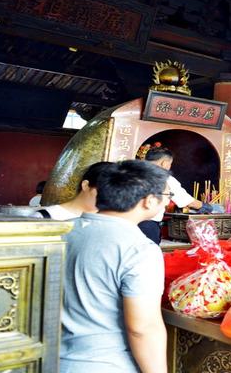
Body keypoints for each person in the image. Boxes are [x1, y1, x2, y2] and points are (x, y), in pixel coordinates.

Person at [60, 160, 169, 373]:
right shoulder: (139, 248)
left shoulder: (62, 231)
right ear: (148, 201)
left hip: (49, 359)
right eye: (166, 196)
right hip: (105, 364)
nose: (167, 203)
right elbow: (142, 328)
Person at [141, 147, 210, 244]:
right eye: (170, 164)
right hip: (147, 225)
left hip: (124, 223)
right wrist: (206, 206)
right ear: (164, 163)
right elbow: (187, 201)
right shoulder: (165, 178)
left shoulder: (131, 173)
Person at [33, 162, 113, 220]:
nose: (109, 197)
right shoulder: (47, 216)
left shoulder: (111, 221)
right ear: (85, 185)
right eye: (104, 190)